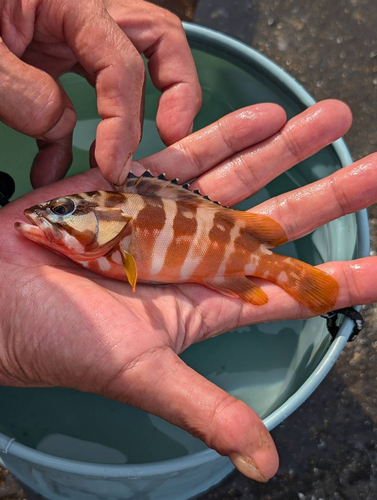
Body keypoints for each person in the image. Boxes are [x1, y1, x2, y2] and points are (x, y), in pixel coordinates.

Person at [0, 0, 376, 484]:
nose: (46, 217)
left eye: (64, 210)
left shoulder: (116, 249)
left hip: (228, 256)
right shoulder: (103, 249)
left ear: (108, 220)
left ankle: (293, 275)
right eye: (61, 210)